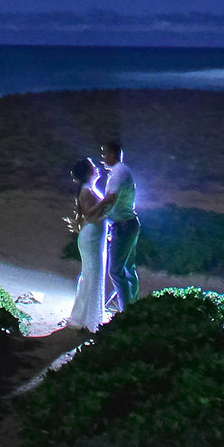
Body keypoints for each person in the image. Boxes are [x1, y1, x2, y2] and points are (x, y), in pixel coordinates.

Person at [63, 155, 113, 332]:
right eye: (93, 167)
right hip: (92, 237)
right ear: (87, 173)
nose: (97, 169)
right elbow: (90, 215)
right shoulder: (86, 191)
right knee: (92, 275)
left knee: (93, 274)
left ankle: (88, 317)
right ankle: (87, 320)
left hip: (95, 237)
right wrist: (106, 202)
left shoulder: (88, 189)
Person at [97, 138, 139, 310]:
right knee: (128, 268)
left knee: (115, 271)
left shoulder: (118, 174)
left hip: (122, 226)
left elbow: (111, 199)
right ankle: (132, 305)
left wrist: (93, 211)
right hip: (129, 224)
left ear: (113, 154)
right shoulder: (122, 171)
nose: (102, 157)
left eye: (104, 153)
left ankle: (125, 311)